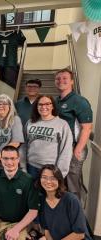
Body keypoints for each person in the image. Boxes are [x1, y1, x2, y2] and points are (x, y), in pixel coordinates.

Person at [0, 146, 39, 240]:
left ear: (18, 159)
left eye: (13, 158)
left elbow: (33, 211)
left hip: (20, 223)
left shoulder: (28, 180)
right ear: (1, 159)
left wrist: (16, 229)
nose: (9, 162)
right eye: (5, 158)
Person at [54, 68, 93, 201]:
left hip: (74, 148)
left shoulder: (79, 101)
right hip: (61, 147)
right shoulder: (56, 101)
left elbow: (86, 128)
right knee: (62, 182)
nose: (61, 81)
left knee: (72, 184)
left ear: (71, 81)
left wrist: (77, 149)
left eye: (65, 78)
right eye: (58, 79)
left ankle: (77, 216)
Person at [25, 95, 73, 179]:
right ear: (36, 107)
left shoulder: (62, 124)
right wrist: (22, 166)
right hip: (30, 166)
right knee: (31, 192)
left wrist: (60, 173)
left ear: (52, 106)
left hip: (50, 169)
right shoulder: (30, 122)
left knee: (46, 192)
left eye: (47, 104)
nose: (44, 107)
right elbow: (23, 144)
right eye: (40, 104)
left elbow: (66, 150)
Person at [38, 165, 92, 240]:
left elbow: (80, 234)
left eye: (53, 178)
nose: (48, 181)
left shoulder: (71, 200)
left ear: (59, 180)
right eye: (44, 177)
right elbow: (47, 230)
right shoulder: (41, 201)